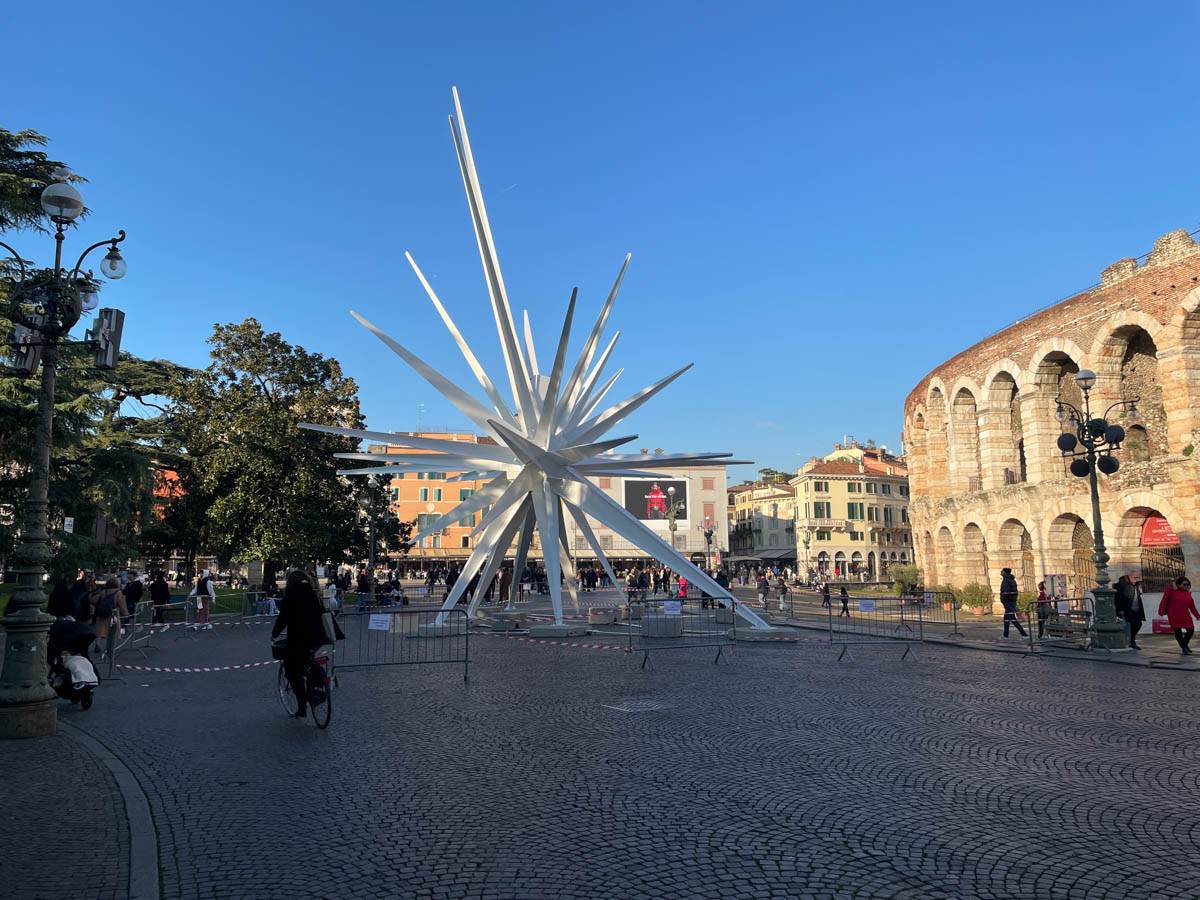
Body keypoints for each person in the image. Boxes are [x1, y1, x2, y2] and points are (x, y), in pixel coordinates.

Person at [271, 571, 331, 719]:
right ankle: (316, 682)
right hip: (317, 638)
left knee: (292, 672)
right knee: (308, 661)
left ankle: (302, 705)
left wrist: (274, 634)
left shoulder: (291, 596)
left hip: (299, 639)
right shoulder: (314, 594)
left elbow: (282, 619)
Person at [1159, 575, 1199, 655]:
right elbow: (1165, 599)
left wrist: (1198, 616)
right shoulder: (1173, 590)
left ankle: (1184, 646)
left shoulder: (1188, 594)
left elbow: (1192, 607)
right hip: (1174, 615)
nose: (1186, 586)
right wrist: (1161, 611)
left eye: (1188, 584)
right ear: (1179, 584)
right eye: (1184, 584)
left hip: (1185, 615)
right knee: (1178, 632)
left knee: (1191, 630)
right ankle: (1184, 648)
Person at [91, 576, 128, 661]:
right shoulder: (118, 593)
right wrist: (126, 614)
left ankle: (97, 645)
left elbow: (93, 600)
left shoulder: (103, 591)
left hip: (101, 614)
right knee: (112, 632)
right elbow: (122, 604)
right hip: (113, 615)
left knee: (100, 631)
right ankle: (110, 649)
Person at [1114, 575, 1146, 650]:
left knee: (1138, 624)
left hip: (1136, 609)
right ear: (1129, 577)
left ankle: (1131, 640)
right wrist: (1119, 610)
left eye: (1136, 577)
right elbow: (1118, 599)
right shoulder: (1122, 585)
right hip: (1127, 610)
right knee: (1129, 625)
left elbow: (1138, 596)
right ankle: (1131, 641)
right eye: (1134, 577)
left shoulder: (1137, 585)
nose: (1136, 579)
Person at [998, 567, 1027, 639]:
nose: (1001, 572)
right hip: (1010, 602)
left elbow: (1005, 593)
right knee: (1006, 619)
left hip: (1008, 602)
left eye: (1002, 571)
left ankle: (1024, 634)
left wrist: (1003, 600)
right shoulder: (1011, 580)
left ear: (1004, 572)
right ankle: (1005, 635)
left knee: (1012, 618)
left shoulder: (1006, 581)